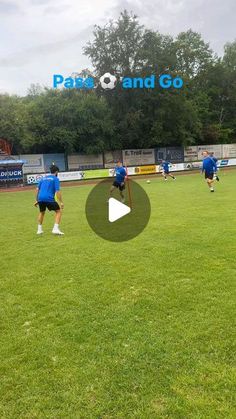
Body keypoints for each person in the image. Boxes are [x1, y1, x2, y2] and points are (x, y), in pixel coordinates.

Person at [34, 165, 64, 235]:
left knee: (42, 212)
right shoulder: (55, 179)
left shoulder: (43, 178)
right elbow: (57, 191)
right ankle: (55, 229)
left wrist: (36, 200)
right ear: (56, 172)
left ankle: (39, 230)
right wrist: (61, 202)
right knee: (58, 211)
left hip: (40, 198)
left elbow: (37, 189)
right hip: (49, 198)